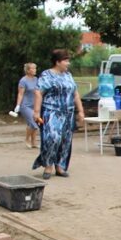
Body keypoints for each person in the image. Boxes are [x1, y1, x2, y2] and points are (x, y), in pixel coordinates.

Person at [32, 49, 84, 179]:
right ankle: (48, 165)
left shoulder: (68, 75)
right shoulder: (47, 75)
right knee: (52, 138)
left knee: (65, 141)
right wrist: (36, 112)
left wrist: (81, 111)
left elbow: (75, 94)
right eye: (66, 60)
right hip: (51, 112)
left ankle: (60, 166)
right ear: (57, 62)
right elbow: (39, 92)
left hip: (68, 113)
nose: (68, 63)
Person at [14, 62, 39, 148]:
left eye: (35, 68)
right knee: (34, 124)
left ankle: (34, 142)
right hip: (25, 105)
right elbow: (20, 94)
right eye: (33, 68)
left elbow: (38, 92)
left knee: (32, 124)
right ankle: (27, 140)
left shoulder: (36, 79)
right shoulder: (23, 80)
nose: (35, 70)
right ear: (28, 70)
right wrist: (18, 105)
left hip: (34, 105)